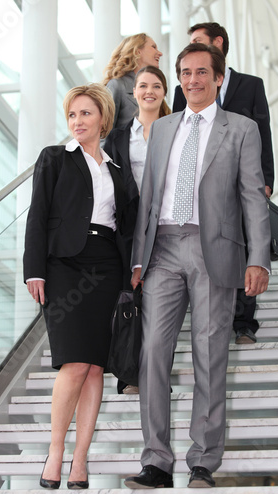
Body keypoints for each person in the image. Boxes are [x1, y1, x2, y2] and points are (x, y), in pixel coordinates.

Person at [124, 43, 270, 489]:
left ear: (219, 78)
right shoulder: (164, 128)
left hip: (215, 249)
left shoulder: (241, 129)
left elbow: (252, 195)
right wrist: (137, 257)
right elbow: (149, 194)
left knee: (211, 355)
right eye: (185, 73)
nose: (192, 80)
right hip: (163, 248)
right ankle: (156, 461)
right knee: (152, 353)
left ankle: (203, 460)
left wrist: (259, 258)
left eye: (202, 72)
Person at [23, 84, 138, 490]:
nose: (77, 122)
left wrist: (134, 271)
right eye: (72, 115)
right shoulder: (54, 158)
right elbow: (38, 214)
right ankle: (55, 452)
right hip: (64, 267)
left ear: (102, 119)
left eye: (86, 114)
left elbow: (128, 228)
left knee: (95, 368)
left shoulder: (118, 170)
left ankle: (80, 460)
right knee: (73, 363)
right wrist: (33, 270)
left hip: (107, 266)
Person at [172, 22, 274, 345]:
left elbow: (264, 133)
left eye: (199, 42)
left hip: (242, 180)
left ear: (217, 43)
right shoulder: (182, 91)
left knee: (243, 244)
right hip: (202, 187)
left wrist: (266, 180)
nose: (192, 76)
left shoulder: (251, 85)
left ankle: (243, 322)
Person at [105, 65, 171, 394]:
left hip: (169, 226)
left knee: (162, 302)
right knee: (131, 298)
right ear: (133, 93)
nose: (148, 91)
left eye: (156, 86)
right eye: (142, 85)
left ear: (164, 92)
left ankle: (156, 374)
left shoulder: (177, 130)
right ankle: (130, 372)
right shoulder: (117, 138)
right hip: (130, 229)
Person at [103, 33, 163, 129]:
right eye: (153, 47)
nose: (160, 53)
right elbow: (104, 134)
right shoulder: (117, 85)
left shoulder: (156, 88)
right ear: (137, 52)